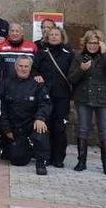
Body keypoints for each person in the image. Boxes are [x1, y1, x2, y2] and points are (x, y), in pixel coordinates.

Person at [69, 29, 106, 175]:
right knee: (83, 128)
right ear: (85, 44)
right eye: (90, 42)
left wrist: (104, 54)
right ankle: (81, 161)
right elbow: (71, 78)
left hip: (103, 99)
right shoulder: (79, 58)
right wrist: (81, 70)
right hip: (83, 98)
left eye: (95, 43)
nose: (92, 46)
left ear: (100, 44)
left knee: (104, 130)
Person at [0, 56, 51, 175]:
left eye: (26, 66)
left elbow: (45, 103)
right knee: (17, 160)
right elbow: (2, 108)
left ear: (30, 68)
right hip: (14, 126)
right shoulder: (6, 83)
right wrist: (6, 129)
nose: (23, 69)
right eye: (20, 66)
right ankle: (25, 150)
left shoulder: (38, 84)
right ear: (15, 67)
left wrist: (40, 118)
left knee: (41, 129)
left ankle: (41, 163)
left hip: (31, 124)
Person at [32, 26, 73, 168]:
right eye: (51, 35)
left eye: (57, 34)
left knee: (60, 127)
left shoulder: (69, 54)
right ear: (47, 37)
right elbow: (34, 68)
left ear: (62, 37)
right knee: (46, 126)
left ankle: (58, 157)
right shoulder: (42, 53)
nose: (54, 37)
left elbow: (73, 73)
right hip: (46, 96)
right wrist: (36, 75)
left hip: (62, 96)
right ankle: (46, 156)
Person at [0, 23, 38, 93]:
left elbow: (36, 68)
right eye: (12, 31)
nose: (14, 33)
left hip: (26, 89)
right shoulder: (0, 46)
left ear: (22, 33)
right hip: (5, 89)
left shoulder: (31, 47)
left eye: (17, 31)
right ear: (8, 33)